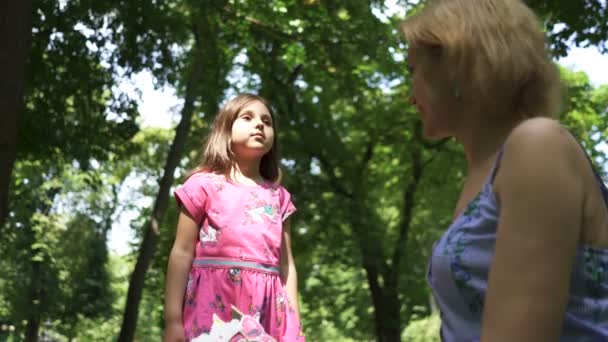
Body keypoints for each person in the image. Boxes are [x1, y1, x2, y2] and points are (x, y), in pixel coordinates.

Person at [400, 0, 608, 340]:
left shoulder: (538, 146)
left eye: (413, 71)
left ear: (456, 64)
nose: (411, 96)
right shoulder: (482, 176)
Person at [163, 93, 305, 342]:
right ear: (225, 131)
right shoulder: (202, 186)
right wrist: (173, 320)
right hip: (211, 314)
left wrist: (294, 326)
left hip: (267, 316)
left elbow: (286, 265)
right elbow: (182, 252)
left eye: (267, 121)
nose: (260, 124)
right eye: (247, 118)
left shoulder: (279, 198)